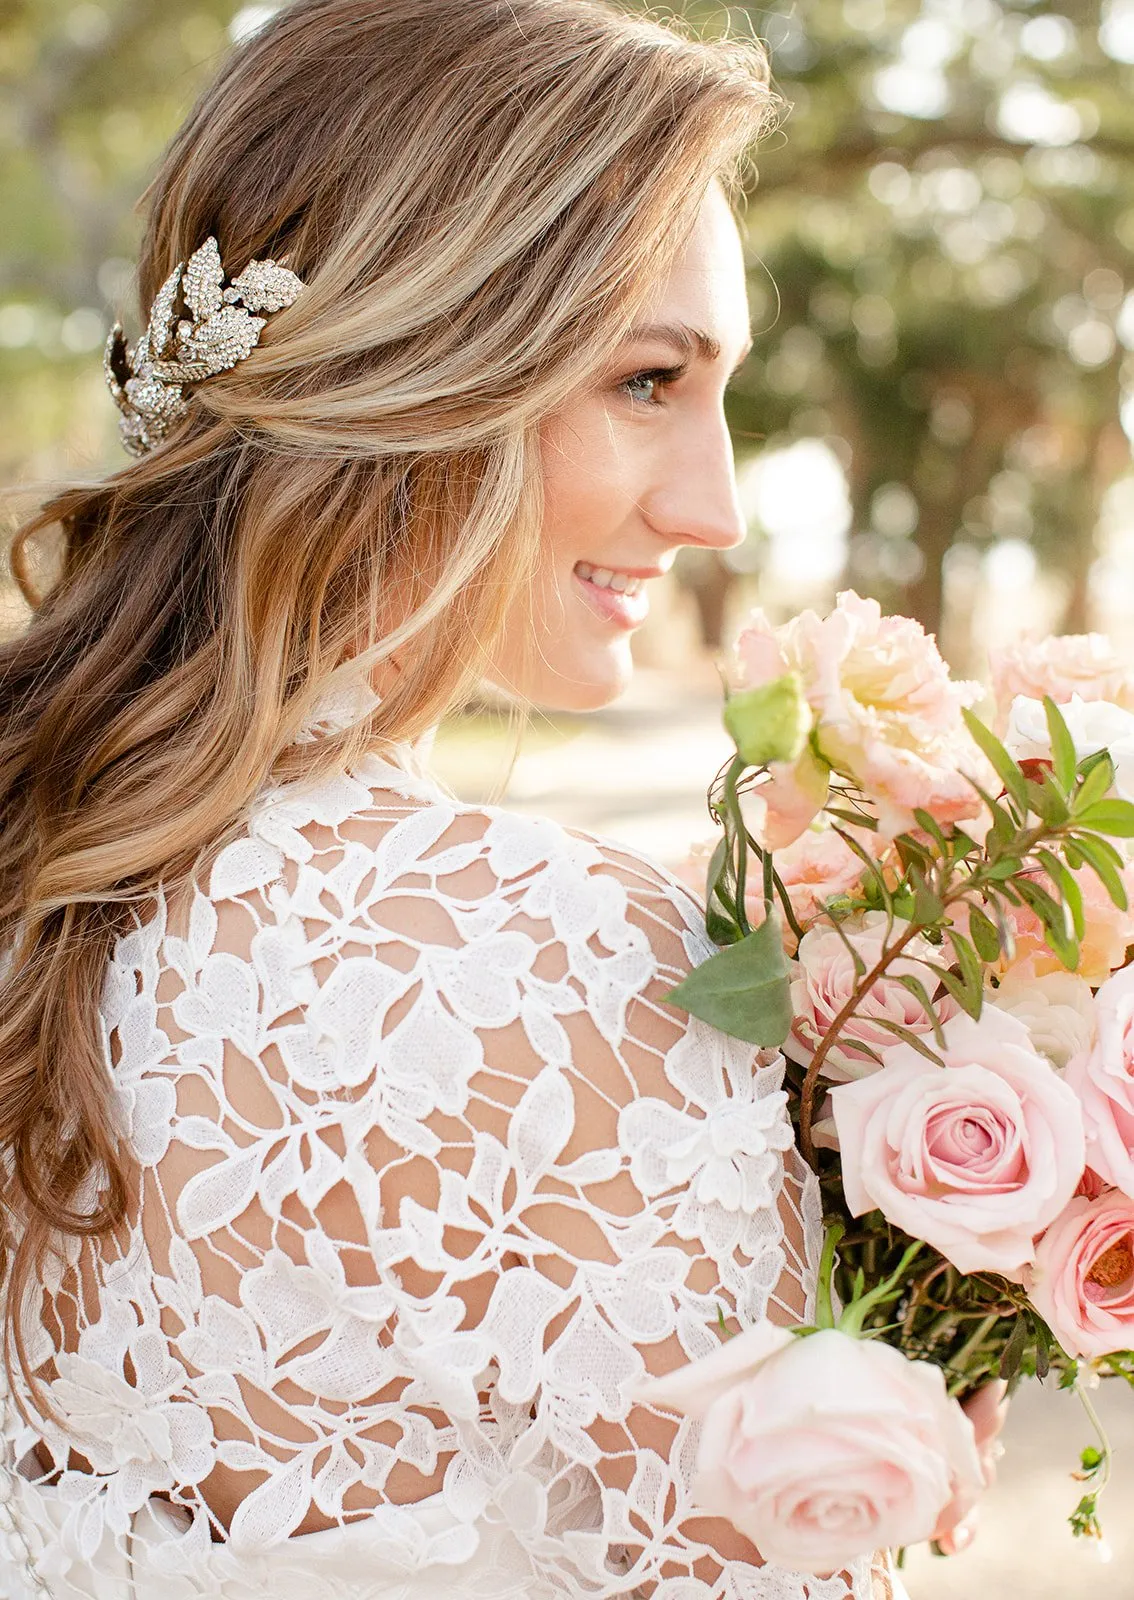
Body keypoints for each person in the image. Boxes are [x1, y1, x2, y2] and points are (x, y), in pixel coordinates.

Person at [0, 2, 905, 1594]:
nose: (713, 506)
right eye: (644, 379)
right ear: (418, 364)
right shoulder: (556, 968)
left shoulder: (41, 847)